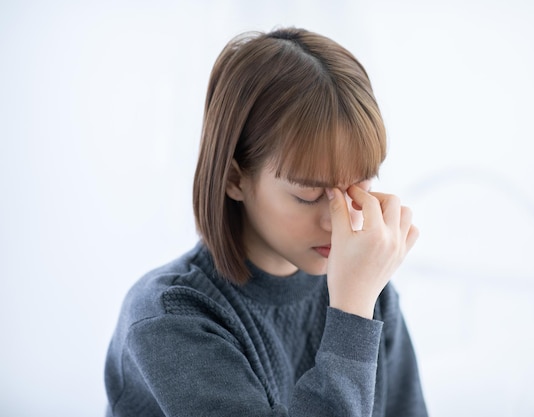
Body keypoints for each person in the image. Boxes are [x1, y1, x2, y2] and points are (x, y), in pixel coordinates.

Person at [104, 27, 428, 417]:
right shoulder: (170, 318)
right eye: (309, 194)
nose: (338, 221)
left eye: (359, 185)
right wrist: (352, 316)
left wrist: (359, 303)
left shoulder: (367, 291)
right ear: (234, 179)